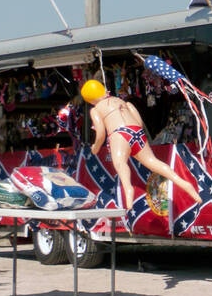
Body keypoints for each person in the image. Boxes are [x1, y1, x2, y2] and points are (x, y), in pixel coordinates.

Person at [80, 79, 200, 210]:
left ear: (90, 100)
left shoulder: (96, 109)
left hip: (119, 134)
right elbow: (139, 122)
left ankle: (128, 189)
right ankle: (183, 183)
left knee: (120, 163)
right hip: (136, 132)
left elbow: (101, 132)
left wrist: (95, 148)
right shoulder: (122, 101)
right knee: (153, 162)